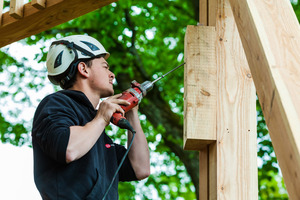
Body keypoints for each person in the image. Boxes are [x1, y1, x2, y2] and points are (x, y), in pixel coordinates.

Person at [31, 35, 150, 200]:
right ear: (83, 69)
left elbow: (140, 168)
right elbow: (69, 149)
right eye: (105, 66)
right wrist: (101, 118)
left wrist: (132, 112)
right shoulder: (56, 103)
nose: (112, 75)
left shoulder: (97, 134)